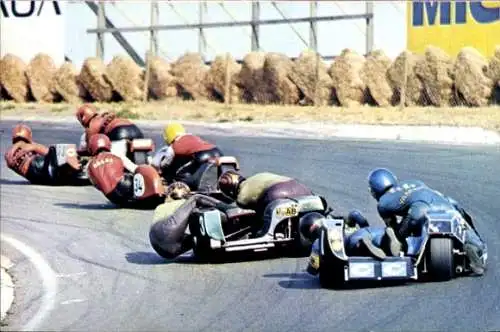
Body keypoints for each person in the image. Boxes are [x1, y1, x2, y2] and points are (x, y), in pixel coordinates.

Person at [365, 167, 487, 274]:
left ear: (374, 190)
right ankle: (472, 245)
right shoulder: (415, 182)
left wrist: (399, 233)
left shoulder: (382, 203)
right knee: (477, 245)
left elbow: (391, 224)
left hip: (418, 212)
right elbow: (457, 206)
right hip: (446, 206)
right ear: (393, 178)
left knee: (397, 235)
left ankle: (406, 248)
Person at [150, 122, 223, 186]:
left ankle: (193, 185)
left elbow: (167, 160)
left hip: (202, 156)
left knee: (181, 175)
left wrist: (162, 169)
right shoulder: (192, 136)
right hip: (216, 151)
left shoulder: (174, 145)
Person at [217, 170, 316, 215]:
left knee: (259, 215)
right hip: (299, 187)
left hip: (277, 193)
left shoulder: (242, 195)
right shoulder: (258, 175)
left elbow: (243, 214)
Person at [86, 134, 140, 206]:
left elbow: (96, 185)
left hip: (112, 197)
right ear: (108, 144)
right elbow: (134, 168)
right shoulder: (115, 154)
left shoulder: (88, 165)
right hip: (126, 185)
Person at [76, 104, 144, 153]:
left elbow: (90, 148)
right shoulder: (105, 117)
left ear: (83, 118)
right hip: (135, 130)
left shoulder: (92, 125)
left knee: (114, 159)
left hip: (119, 132)